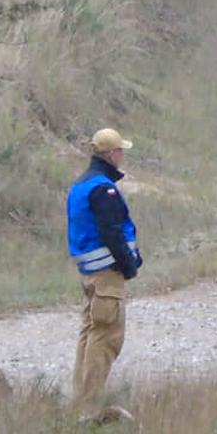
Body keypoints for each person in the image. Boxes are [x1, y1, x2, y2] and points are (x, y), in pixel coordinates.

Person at [67, 128, 140, 405]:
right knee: (107, 335)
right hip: (107, 273)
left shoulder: (81, 184)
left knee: (90, 332)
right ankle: (92, 402)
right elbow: (112, 232)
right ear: (111, 154)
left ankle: (80, 397)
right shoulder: (103, 189)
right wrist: (129, 265)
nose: (122, 156)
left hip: (89, 273)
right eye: (120, 151)